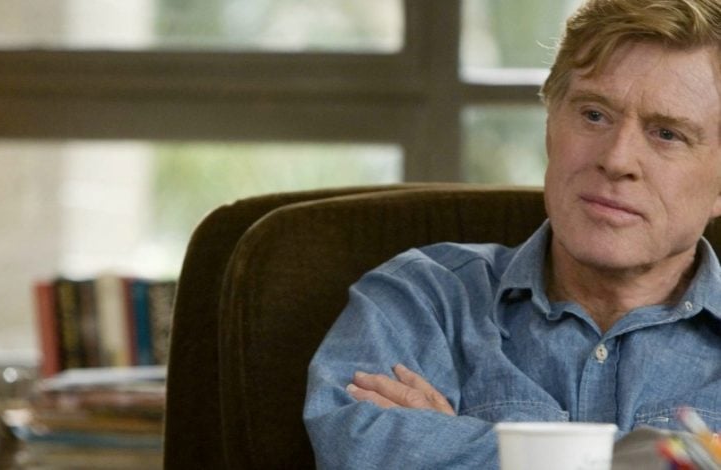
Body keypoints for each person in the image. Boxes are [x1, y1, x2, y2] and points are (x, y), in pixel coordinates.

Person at [303, 0, 721, 468]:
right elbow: (359, 450)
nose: (617, 159)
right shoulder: (421, 300)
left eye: (666, 134)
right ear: (550, 127)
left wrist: (461, 443)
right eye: (594, 115)